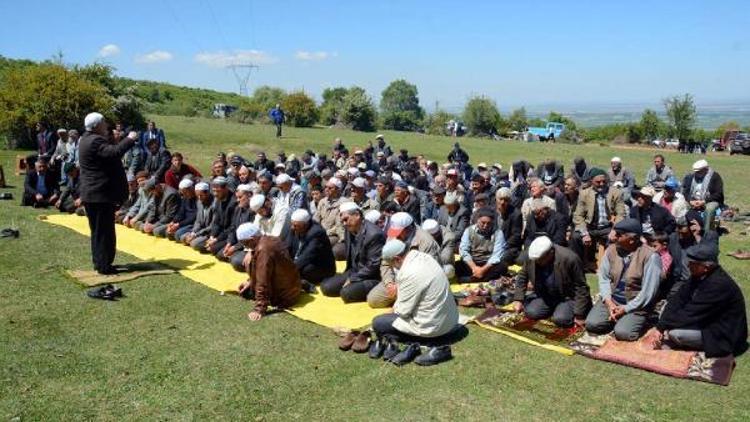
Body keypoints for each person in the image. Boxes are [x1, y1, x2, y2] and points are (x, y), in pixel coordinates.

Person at [368, 239, 459, 365]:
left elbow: (403, 311)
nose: (393, 268)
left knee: (379, 322)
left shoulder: (408, 272)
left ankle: (418, 343)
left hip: (435, 330)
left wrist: (389, 314)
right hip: (451, 321)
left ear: (397, 259)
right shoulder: (424, 257)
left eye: (392, 264)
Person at [652, 242, 748, 357]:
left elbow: (692, 313)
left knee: (675, 334)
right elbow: (677, 299)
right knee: (666, 309)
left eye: (692, 264)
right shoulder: (698, 276)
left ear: (706, 267)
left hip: (722, 332)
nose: (688, 266)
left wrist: (663, 326)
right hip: (704, 319)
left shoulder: (719, 284)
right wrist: (661, 326)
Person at [78, 112, 138, 275]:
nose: (106, 126)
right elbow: (114, 153)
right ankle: (104, 265)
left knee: (98, 232)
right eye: (104, 123)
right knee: (104, 232)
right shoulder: (95, 140)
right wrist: (130, 139)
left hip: (93, 194)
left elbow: (108, 152)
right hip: (99, 194)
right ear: (97, 125)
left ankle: (100, 263)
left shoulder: (85, 139)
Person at [585, 219, 662, 341]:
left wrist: (625, 309)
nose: (614, 237)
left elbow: (648, 293)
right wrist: (608, 302)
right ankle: (616, 317)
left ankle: (640, 318)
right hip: (613, 300)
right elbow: (604, 278)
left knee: (623, 333)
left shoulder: (651, 257)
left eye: (619, 235)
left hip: (636, 304)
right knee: (592, 324)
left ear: (632, 239)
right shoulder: (611, 250)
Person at [512, 236, 592, 328]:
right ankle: (555, 309)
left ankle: (562, 310)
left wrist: (579, 314)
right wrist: (518, 299)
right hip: (546, 296)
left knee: (561, 319)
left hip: (567, 297)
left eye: (541, 259)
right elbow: (522, 276)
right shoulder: (533, 258)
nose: (538, 262)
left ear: (551, 252)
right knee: (531, 312)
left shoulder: (570, 259)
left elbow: (581, 287)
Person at [367, 212, 441, 309]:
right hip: (397, 279)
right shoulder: (393, 236)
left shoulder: (425, 241)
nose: (395, 236)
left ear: (408, 229)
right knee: (373, 300)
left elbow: (430, 272)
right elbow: (385, 264)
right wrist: (389, 283)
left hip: (418, 281)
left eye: (398, 232)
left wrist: (403, 286)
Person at [320, 202, 385, 303]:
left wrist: (353, 279)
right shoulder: (349, 229)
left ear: (357, 215)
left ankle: (372, 289)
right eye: (342, 221)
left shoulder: (374, 235)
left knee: (346, 293)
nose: (344, 224)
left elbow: (374, 265)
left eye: (346, 219)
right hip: (354, 270)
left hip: (371, 276)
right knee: (326, 287)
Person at [236, 223, 301, 321]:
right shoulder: (271, 239)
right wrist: (250, 281)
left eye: (245, 243)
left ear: (252, 239)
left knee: (247, 292)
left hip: (284, 297)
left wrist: (259, 308)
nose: (245, 247)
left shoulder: (264, 250)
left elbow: (263, 280)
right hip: (292, 289)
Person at [571, 168, 626, 270]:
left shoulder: (616, 193)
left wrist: (615, 230)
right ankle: (578, 266)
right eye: (598, 182)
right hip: (590, 227)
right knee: (575, 237)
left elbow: (621, 213)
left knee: (619, 239)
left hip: (607, 227)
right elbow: (578, 215)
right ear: (591, 181)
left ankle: (613, 268)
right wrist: (584, 233)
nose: (601, 184)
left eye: (604, 181)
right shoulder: (584, 194)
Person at [456, 208, 507, 282]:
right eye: (483, 223)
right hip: (473, 262)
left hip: (488, 264)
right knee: (458, 265)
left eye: (488, 223)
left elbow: (497, 255)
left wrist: (482, 270)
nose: (485, 226)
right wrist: (474, 268)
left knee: (503, 266)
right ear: (477, 221)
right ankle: (483, 278)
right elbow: (464, 251)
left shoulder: (498, 233)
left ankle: (474, 279)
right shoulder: (469, 231)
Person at [289, 209, 337, 284]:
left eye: (295, 225)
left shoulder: (317, 233)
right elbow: (289, 247)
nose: (292, 227)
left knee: (305, 269)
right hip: (302, 258)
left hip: (321, 266)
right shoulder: (296, 228)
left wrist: (289, 269)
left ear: (305, 225)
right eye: (292, 224)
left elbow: (307, 256)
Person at [218, 185, 255, 271]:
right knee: (221, 254)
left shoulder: (253, 212)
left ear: (249, 195)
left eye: (240, 197)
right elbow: (233, 228)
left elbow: (251, 237)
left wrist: (235, 248)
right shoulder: (237, 209)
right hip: (237, 242)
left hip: (248, 244)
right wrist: (229, 243)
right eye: (237, 197)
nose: (238, 200)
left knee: (235, 261)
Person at [681, 159, 724, 233]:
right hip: (693, 200)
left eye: (699, 171)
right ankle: (685, 229)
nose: (697, 173)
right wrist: (690, 201)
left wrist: (703, 201)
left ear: (706, 169)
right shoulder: (691, 177)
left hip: (709, 200)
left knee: (709, 209)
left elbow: (718, 194)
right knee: (681, 205)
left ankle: (706, 232)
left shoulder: (715, 177)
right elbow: (685, 192)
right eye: (696, 172)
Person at [198, 176, 236, 254]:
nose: (215, 194)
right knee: (201, 246)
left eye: (218, 191)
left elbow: (231, 227)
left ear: (225, 188)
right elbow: (216, 222)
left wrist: (217, 239)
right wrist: (212, 236)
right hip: (220, 233)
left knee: (214, 250)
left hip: (229, 235)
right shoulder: (218, 200)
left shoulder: (233, 203)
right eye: (214, 191)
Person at [316, 178, 346, 259]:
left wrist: (326, 232)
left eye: (330, 188)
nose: (326, 190)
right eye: (326, 187)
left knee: (322, 244)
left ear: (338, 190)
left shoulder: (344, 203)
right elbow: (316, 219)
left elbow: (341, 225)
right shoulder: (322, 202)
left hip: (335, 234)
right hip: (321, 232)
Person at [495, 187, 523, 270]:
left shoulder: (516, 214)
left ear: (510, 201)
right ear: (496, 199)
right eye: (501, 199)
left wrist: (501, 246)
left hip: (509, 247)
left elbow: (516, 235)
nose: (503, 202)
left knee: (500, 259)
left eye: (506, 200)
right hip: (493, 244)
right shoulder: (492, 211)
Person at [182, 182, 215, 247]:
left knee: (194, 244)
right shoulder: (199, 202)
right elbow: (198, 221)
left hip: (210, 232)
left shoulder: (214, 204)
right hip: (201, 230)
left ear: (207, 193)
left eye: (201, 195)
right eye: (198, 195)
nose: (199, 198)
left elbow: (212, 226)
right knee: (183, 238)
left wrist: (196, 235)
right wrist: (193, 233)